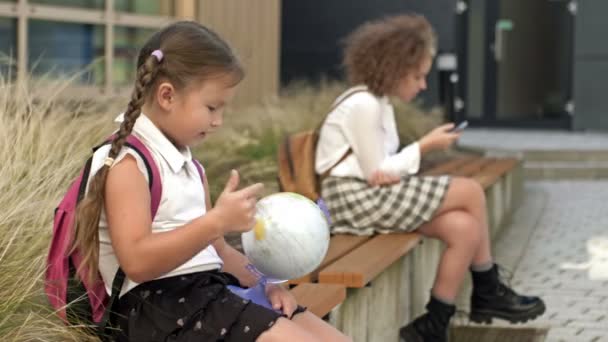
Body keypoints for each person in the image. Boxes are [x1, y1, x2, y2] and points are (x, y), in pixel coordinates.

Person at [71, 21, 351, 342]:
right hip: (155, 310)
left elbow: (218, 250)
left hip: (203, 295)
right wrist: (216, 221)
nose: (218, 121)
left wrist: (266, 284)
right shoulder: (128, 163)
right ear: (166, 96)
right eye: (211, 107)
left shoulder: (188, 163)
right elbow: (137, 261)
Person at [315, 14, 545, 342]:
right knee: (469, 191)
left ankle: (434, 324)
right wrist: (425, 146)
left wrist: (420, 151)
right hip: (351, 200)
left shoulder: (377, 103)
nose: (423, 85)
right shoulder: (363, 104)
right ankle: (488, 291)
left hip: (366, 197)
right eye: (418, 76)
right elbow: (377, 174)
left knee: (464, 228)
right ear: (395, 69)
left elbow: (382, 170)